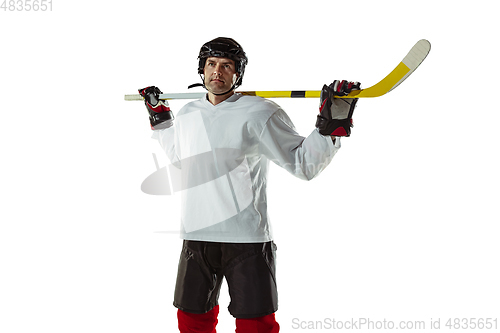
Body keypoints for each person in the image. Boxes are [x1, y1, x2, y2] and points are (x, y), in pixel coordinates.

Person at [138, 37, 361, 333]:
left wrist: (332, 123)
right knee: (192, 320)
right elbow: (181, 156)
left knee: (256, 324)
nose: (218, 71)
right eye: (212, 64)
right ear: (201, 70)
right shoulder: (189, 113)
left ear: (237, 74)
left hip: (246, 237)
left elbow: (303, 165)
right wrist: (161, 119)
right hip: (196, 234)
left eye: (227, 66)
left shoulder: (260, 112)